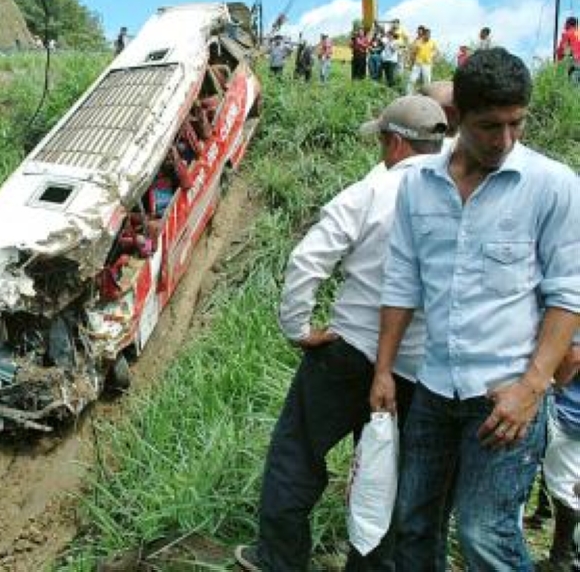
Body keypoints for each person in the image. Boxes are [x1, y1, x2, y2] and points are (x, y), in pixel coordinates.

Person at [370, 47, 580, 570]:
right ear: (456, 117)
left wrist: (531, 388)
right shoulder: (418, 185)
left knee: (485, 533)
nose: (504, 139)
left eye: (516, 123)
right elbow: (402, 280)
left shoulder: (552, 185)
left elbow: (568, 293)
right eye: (489, 126)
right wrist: (384, 370)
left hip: (507, 393)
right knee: (414, 525)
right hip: (434, 389)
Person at [233, 96, 446, 572]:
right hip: (413, 369)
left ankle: (280, 560)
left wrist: (298, 328)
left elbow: (307, 260)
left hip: (347, 350)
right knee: (388, 471)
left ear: (395, 143)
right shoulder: (457, 197)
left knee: (298, 453)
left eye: (383, 142)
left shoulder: (371, 193)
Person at [539, 338, 580, 571]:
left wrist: (550, 385)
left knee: (566, 489)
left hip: (570, 414)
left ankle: (563, 557)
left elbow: (574, 356)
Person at [406, 25, 438, 94]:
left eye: (429, 35)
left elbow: (436, 52)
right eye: (426, 34)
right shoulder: (418, 42)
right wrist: (410, 63)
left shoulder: (432, 43)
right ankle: (408, 94)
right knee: (412, 79)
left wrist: (433, 58)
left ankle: (427, 94)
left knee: (427, 81)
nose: (428, 36)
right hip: (417, 64)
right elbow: (413, 53)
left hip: (427, 64)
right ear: (424, 35)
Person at [555, 16, 580, 85]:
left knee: (571, 86)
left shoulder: (567, 34)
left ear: (569, 24)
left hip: (572, 65)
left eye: (565, 23)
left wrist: (557, 52)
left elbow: (564, 50)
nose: (564, 25)